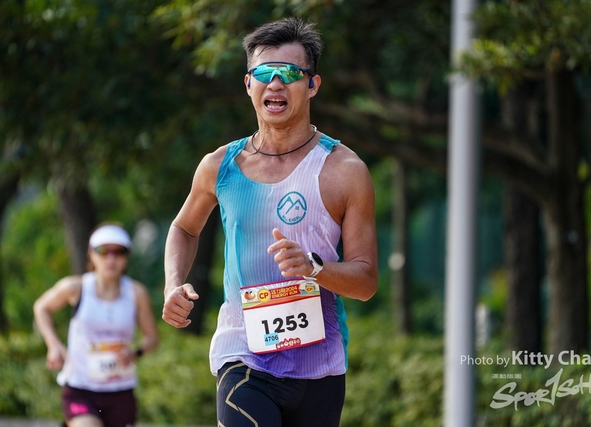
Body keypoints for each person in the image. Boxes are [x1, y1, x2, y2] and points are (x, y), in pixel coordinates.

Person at [162, 17, 378, 427]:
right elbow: (184, 228)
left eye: (291, 73)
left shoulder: (345, 171)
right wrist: (173, 284)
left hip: (320, 366)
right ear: (248, 84)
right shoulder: (219, 166)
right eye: (264, 73)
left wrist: (314, 268)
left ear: (312, 85)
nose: (275, 83)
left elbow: (366, 282)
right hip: (243, 356)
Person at [34, 222, 159, 427]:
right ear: (91, 254)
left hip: (120, 391)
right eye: (103, 251)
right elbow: (41, 307)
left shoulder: (137, 293)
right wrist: (53, 344)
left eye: (119, 252)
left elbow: (152, 338)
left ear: (127, 256)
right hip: (80, 388)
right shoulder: (76, 287)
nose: (111, 259)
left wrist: (135, 352)